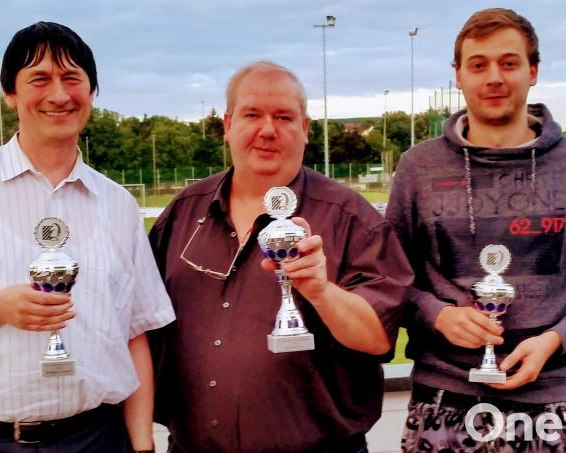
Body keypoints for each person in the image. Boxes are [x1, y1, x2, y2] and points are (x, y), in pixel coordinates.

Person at [0, 21, 175, 453]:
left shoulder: (117, 204)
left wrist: (142, 445)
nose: (59, 95)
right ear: (10, 93)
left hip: (95, 439)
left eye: (72, 78)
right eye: (39, 79)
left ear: (92, 92)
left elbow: (135, 334)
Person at [386, 8, 566, 452]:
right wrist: (438, 314)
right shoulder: (419, 167)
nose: (494, 78)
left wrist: (556, 339)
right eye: (478, 65)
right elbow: (388, 281)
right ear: (459, 76)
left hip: (547, 405)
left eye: (509, 62)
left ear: (533, 71)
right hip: (442, 401)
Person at [148, 60, 414, 452]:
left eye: (284, 117)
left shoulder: (351, 218)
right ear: (227, 125)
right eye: (252, 114)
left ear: (305, 130)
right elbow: (140, 323)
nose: (267, 130)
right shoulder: (184, 213)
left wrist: (321, 291)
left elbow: (377, 338)